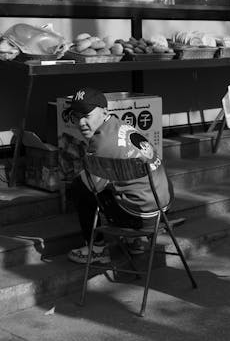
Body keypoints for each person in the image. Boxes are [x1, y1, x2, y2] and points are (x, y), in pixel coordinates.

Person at [64, 87, 175, 264]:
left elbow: (94, 187)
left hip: (140, 217)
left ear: (105, 111)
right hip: (164, 208)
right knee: (118, 182)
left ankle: (97, 248)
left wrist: (80, 167)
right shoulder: (121, 125)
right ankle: (134, 242)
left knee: (80, 186)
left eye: (87, 115)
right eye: (76, 116)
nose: (81, 122)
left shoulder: (101, 144)